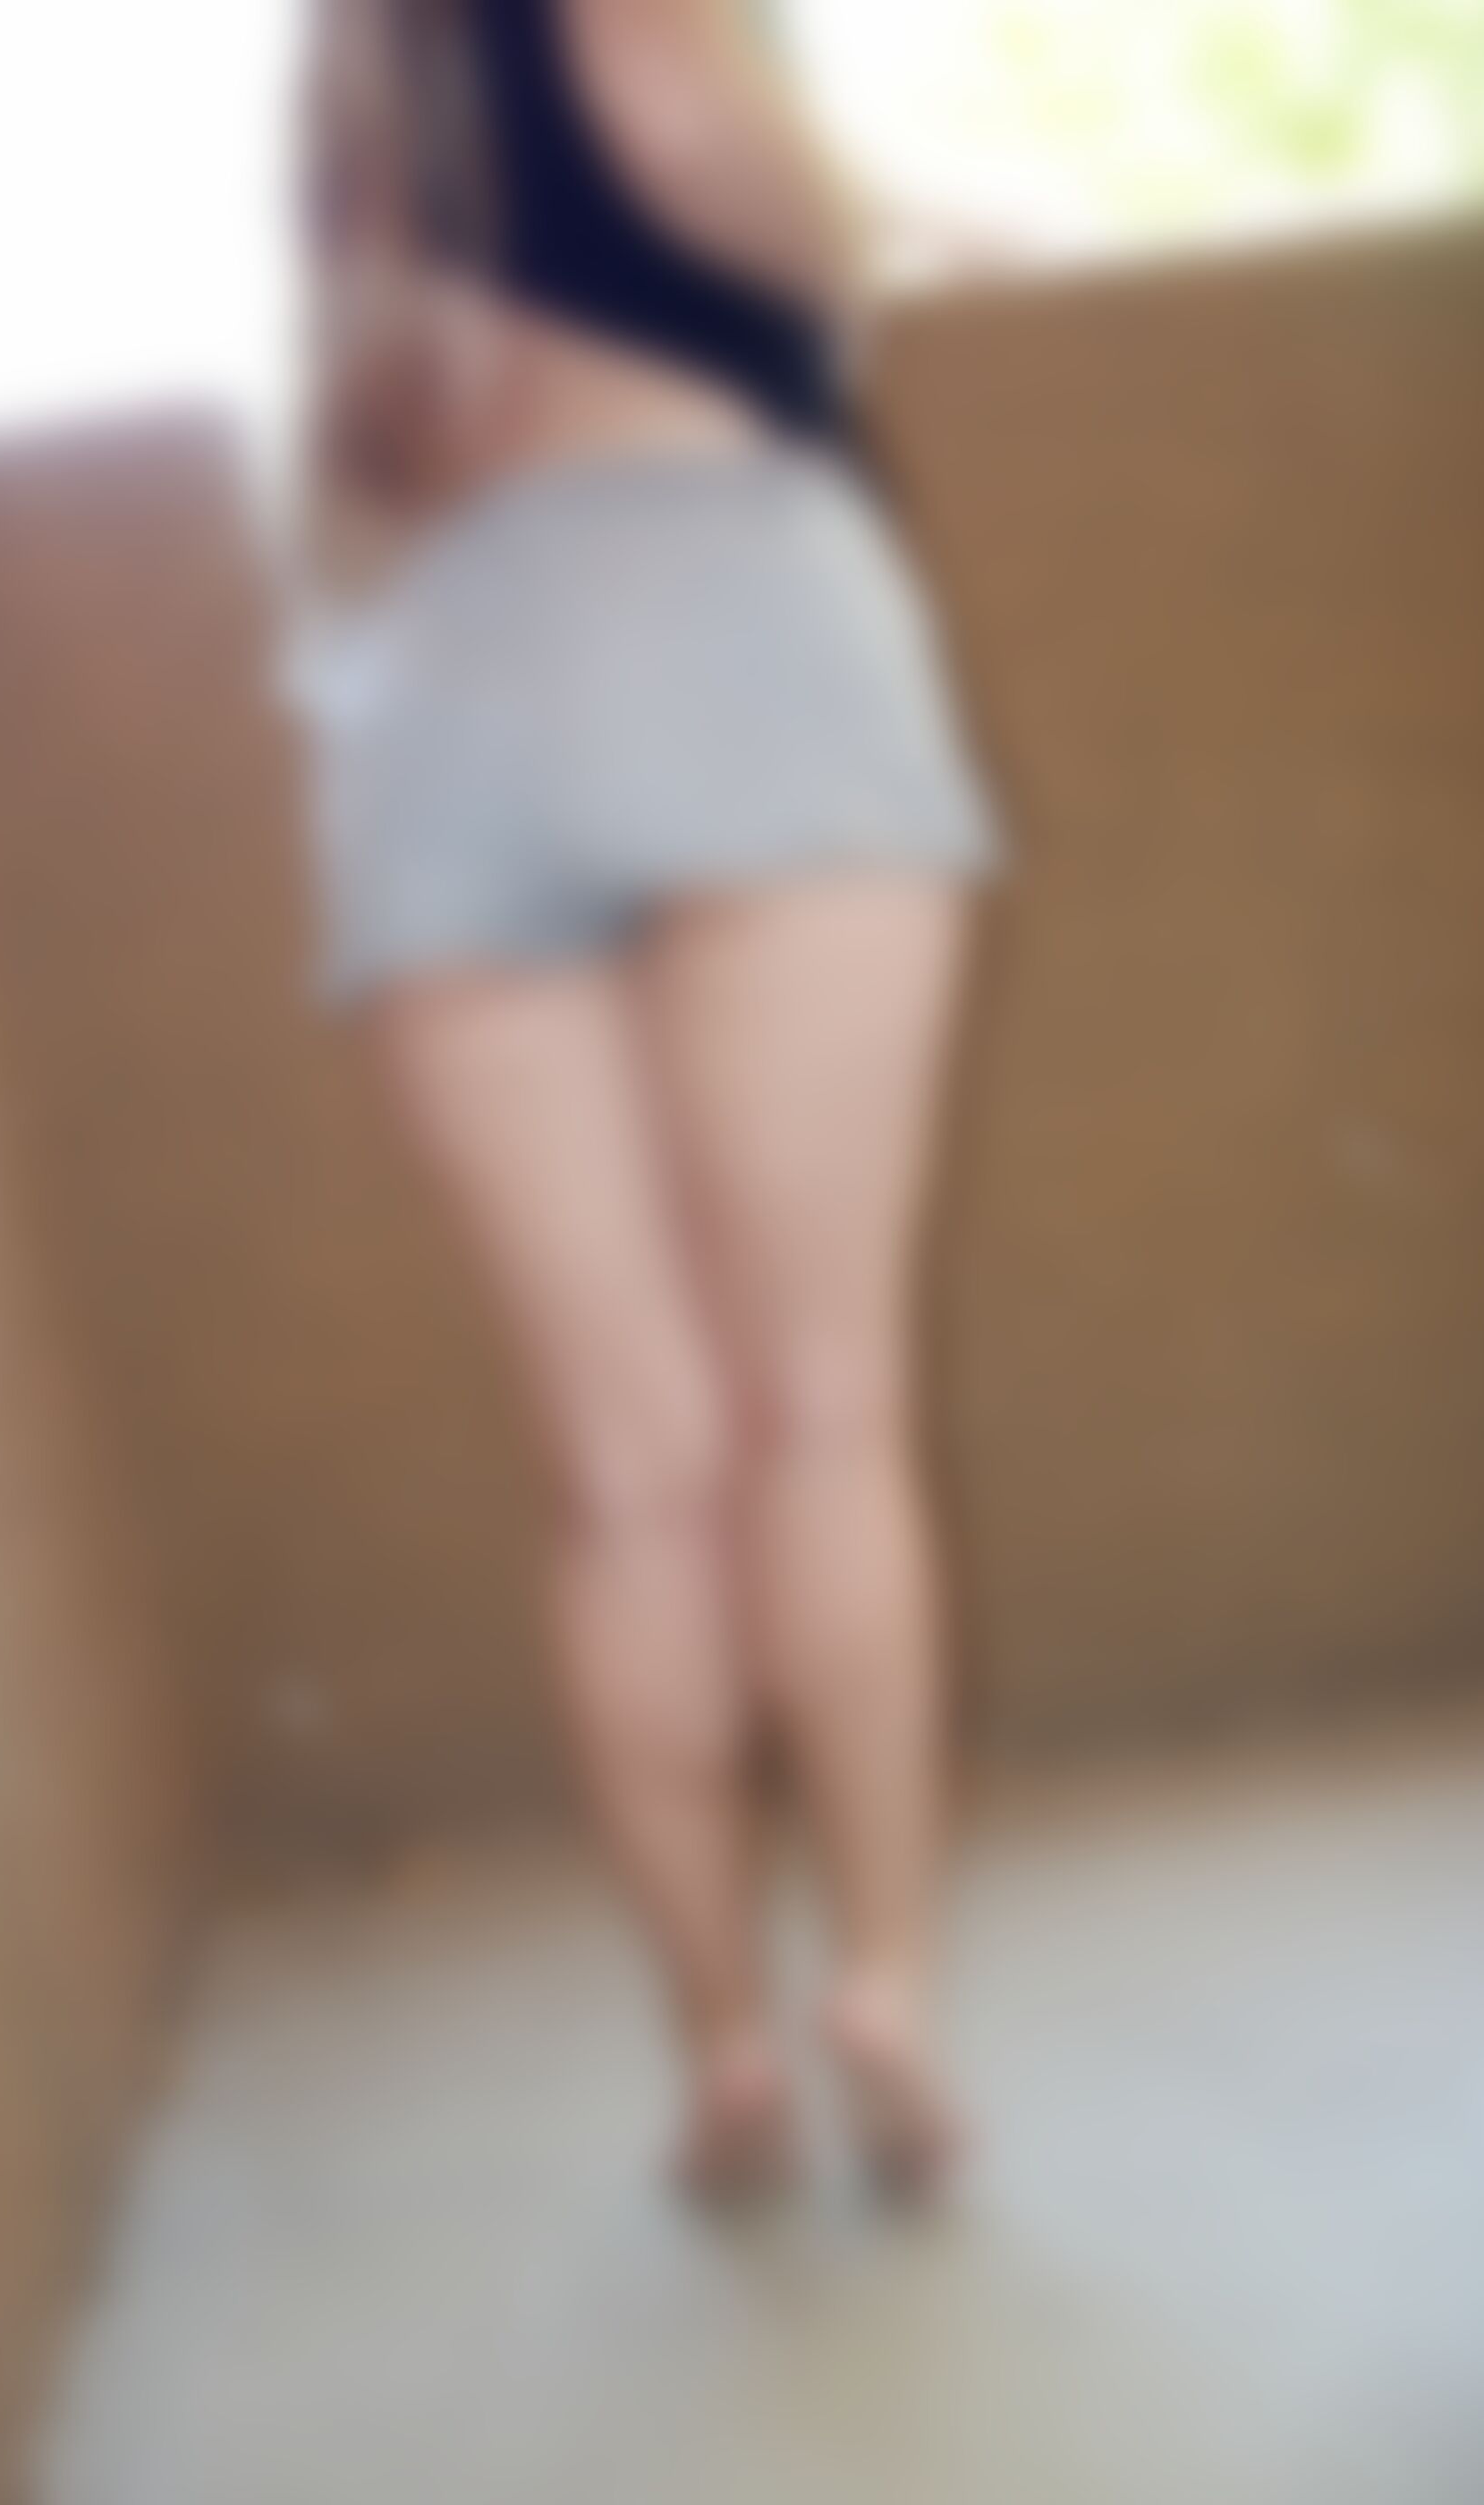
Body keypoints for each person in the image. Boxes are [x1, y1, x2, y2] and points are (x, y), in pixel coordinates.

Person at [278, 0, 1010, 2200]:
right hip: (737, 608)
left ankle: (719, 2041)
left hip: (439, 693)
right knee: (824, 1413)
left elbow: (354, 459)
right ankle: (881, 1979)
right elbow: (720, 153)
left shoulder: (359, 86)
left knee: (625, 1478)